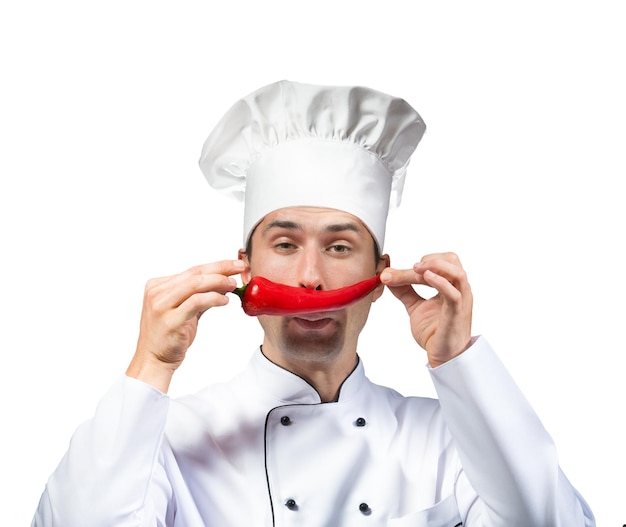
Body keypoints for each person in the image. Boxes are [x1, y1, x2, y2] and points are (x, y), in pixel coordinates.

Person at [31, 80, 595, 526]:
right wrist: (149, 367)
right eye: (284, 243)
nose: (311, 277)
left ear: (380, 275)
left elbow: (545, 521)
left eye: (339, 245)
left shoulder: (448, 439)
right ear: (244, 268)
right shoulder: (170, 441)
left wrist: (457, 364)